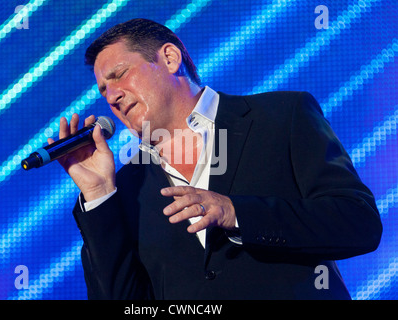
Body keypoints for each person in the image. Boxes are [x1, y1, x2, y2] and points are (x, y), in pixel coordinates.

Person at [50, 18, 382, 299]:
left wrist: (236, 213)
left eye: (119, 75)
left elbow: (359, 223)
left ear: (169, 58)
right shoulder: (124, 188)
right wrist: (98, 195)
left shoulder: (282, 116)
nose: (112, 96)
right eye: (103, 92)